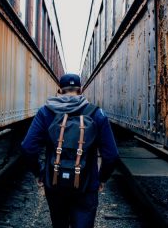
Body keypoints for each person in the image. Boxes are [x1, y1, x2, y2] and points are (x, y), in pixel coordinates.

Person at [21, 73, 119, 228]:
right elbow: (112, 155)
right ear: (80, 91)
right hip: (86, 186)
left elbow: (28, 147)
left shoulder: (45, 112)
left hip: (54, 183)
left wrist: (40, 173)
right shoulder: (97, 113)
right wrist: (101, 179)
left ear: (59, 90)